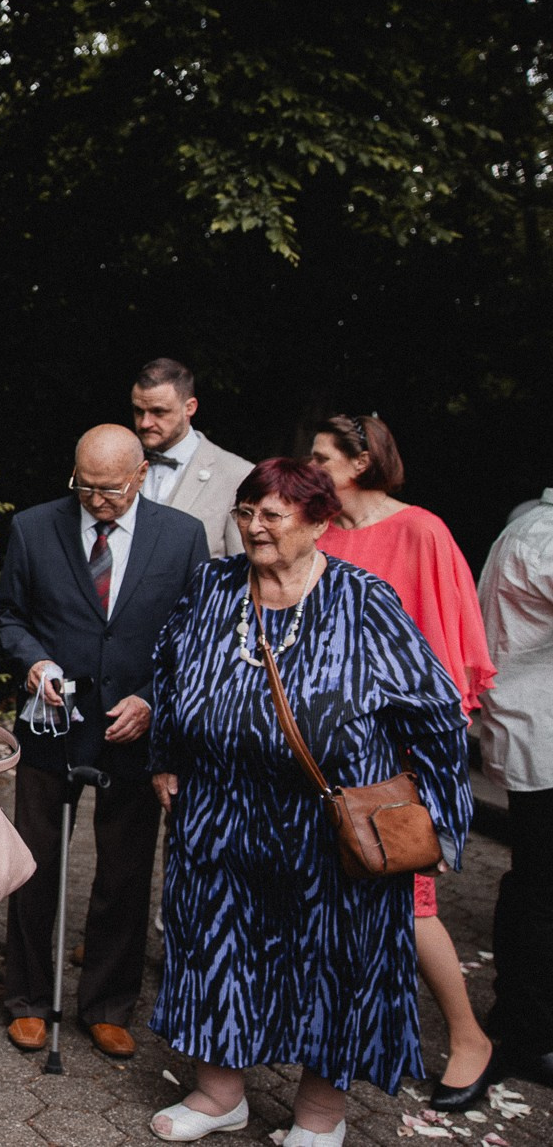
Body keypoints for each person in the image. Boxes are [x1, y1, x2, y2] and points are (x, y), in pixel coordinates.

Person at [146, 459, 474, 1145]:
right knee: (215, 946)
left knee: (337, 961)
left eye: (272, 514)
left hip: (329, 821)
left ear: (320, 522)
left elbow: (438, 708)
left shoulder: (365, 600)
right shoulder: (212, 585)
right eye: (246, 512)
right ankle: (218, 1094)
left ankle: (321, 1116)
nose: (254, 526)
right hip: (220, 807)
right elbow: (169, 671)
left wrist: (442, 815)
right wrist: (167, 756)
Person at [0, 424, 210, 1059]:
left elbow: (193, 637)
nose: (97, 501)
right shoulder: (35, 527)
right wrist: (32, 662)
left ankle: (109, 1005)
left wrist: (153, 699)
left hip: (133, 727)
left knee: (124, 869)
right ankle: (29, 998)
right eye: (84, 487)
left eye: (110, 490)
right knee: (36, 862)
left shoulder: (182, 535)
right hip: (51, 723)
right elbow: (10, 617)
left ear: (141, 474)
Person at [310, 413, 499, 1108]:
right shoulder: (322, 535)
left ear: (358, 462)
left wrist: (430, 762)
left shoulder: (421, 530)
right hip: (325, 751)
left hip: (397, 751)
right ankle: (342, 1034)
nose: (312, 466)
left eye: (321, 456)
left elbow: (447, 650)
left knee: (411, 899)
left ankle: (468, 1036)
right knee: (343, 892)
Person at [479, 489, 553, 1088]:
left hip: (537, 730)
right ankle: (529, 1031)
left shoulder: (529, 522)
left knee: (535, 881)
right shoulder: (543, 536)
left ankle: (518, 1012)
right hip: (542, 734)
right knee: (541, 887)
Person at [131, 357, 254, 558]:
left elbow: (242, 565)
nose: (145, 423)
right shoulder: (119, 464)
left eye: (158, 412)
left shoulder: (237, 474)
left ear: (190, 407)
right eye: (138, 411)